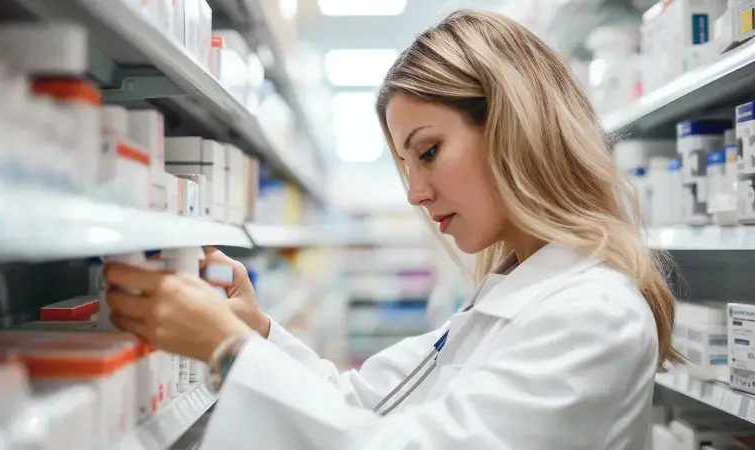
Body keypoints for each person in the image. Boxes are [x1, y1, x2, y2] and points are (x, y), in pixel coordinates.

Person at [103, 10, 680, 449]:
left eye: (427, 150)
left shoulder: (592, 314)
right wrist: (255, 334)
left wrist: (228, 351)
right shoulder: (513, 290)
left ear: (514, 125)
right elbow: (365, 404)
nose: (414, 192)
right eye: (405, 164)